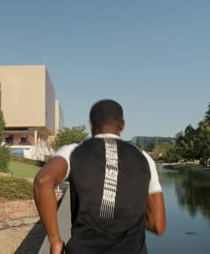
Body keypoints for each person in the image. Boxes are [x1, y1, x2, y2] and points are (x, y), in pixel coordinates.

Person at [34, 99, 166, 254]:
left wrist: (55, 240)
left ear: (91, 124)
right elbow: (158, 225)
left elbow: (43, 181)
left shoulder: (72, 151)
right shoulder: (143, 157)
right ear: (122, 125)